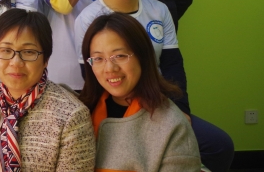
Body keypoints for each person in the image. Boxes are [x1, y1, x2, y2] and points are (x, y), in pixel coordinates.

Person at [75, 0, 234, 172]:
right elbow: (90, 71)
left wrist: (181, 108)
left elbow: (172, 64)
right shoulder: (89, 17)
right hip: (115, 102)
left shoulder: (159, 10)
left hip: (155, 98)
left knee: (219, 145)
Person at [0, 9, 95, 171]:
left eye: (29, 52)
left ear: (46, 59)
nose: (16, 62)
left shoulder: (72, 116)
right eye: (6, 50)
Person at [80, 12, 200, 171]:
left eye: (120, 56)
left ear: (142, 56)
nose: (110, 68)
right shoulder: (78, 113)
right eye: (98, 58)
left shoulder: (172, 125)